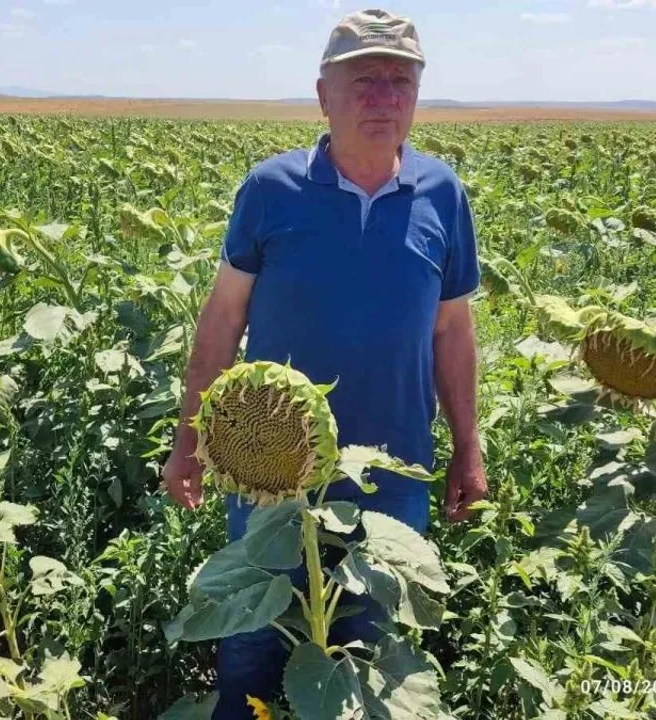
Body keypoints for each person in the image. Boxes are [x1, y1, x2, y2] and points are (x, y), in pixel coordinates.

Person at [160, 8, 488, 718]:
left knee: (370, 653)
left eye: (399, 81)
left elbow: (451, 332)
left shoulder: (443, 195)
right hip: (268, 469)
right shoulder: (272, 190)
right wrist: (187, 439)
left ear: (417, 95)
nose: (383, 97)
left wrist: (469, 447)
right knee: (251, 641)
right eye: (363, 80)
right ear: (323, 95)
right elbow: (221, 324)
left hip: (395, 469)